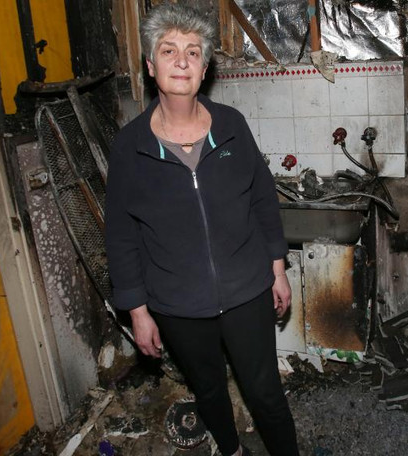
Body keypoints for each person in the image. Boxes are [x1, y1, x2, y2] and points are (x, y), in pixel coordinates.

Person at [105, 4, 300, 456]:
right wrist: (137, 311)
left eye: (193, 52)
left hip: (247, 290)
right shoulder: (130, 147)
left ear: (205, 67)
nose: (181, 61)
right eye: (168, 51)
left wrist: (277, 268)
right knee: (209, 389)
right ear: (151, 66)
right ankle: (230, 450)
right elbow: (121, 235)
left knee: (265, 392)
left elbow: (262, 199)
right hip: (177, 303)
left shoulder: (231, 126)